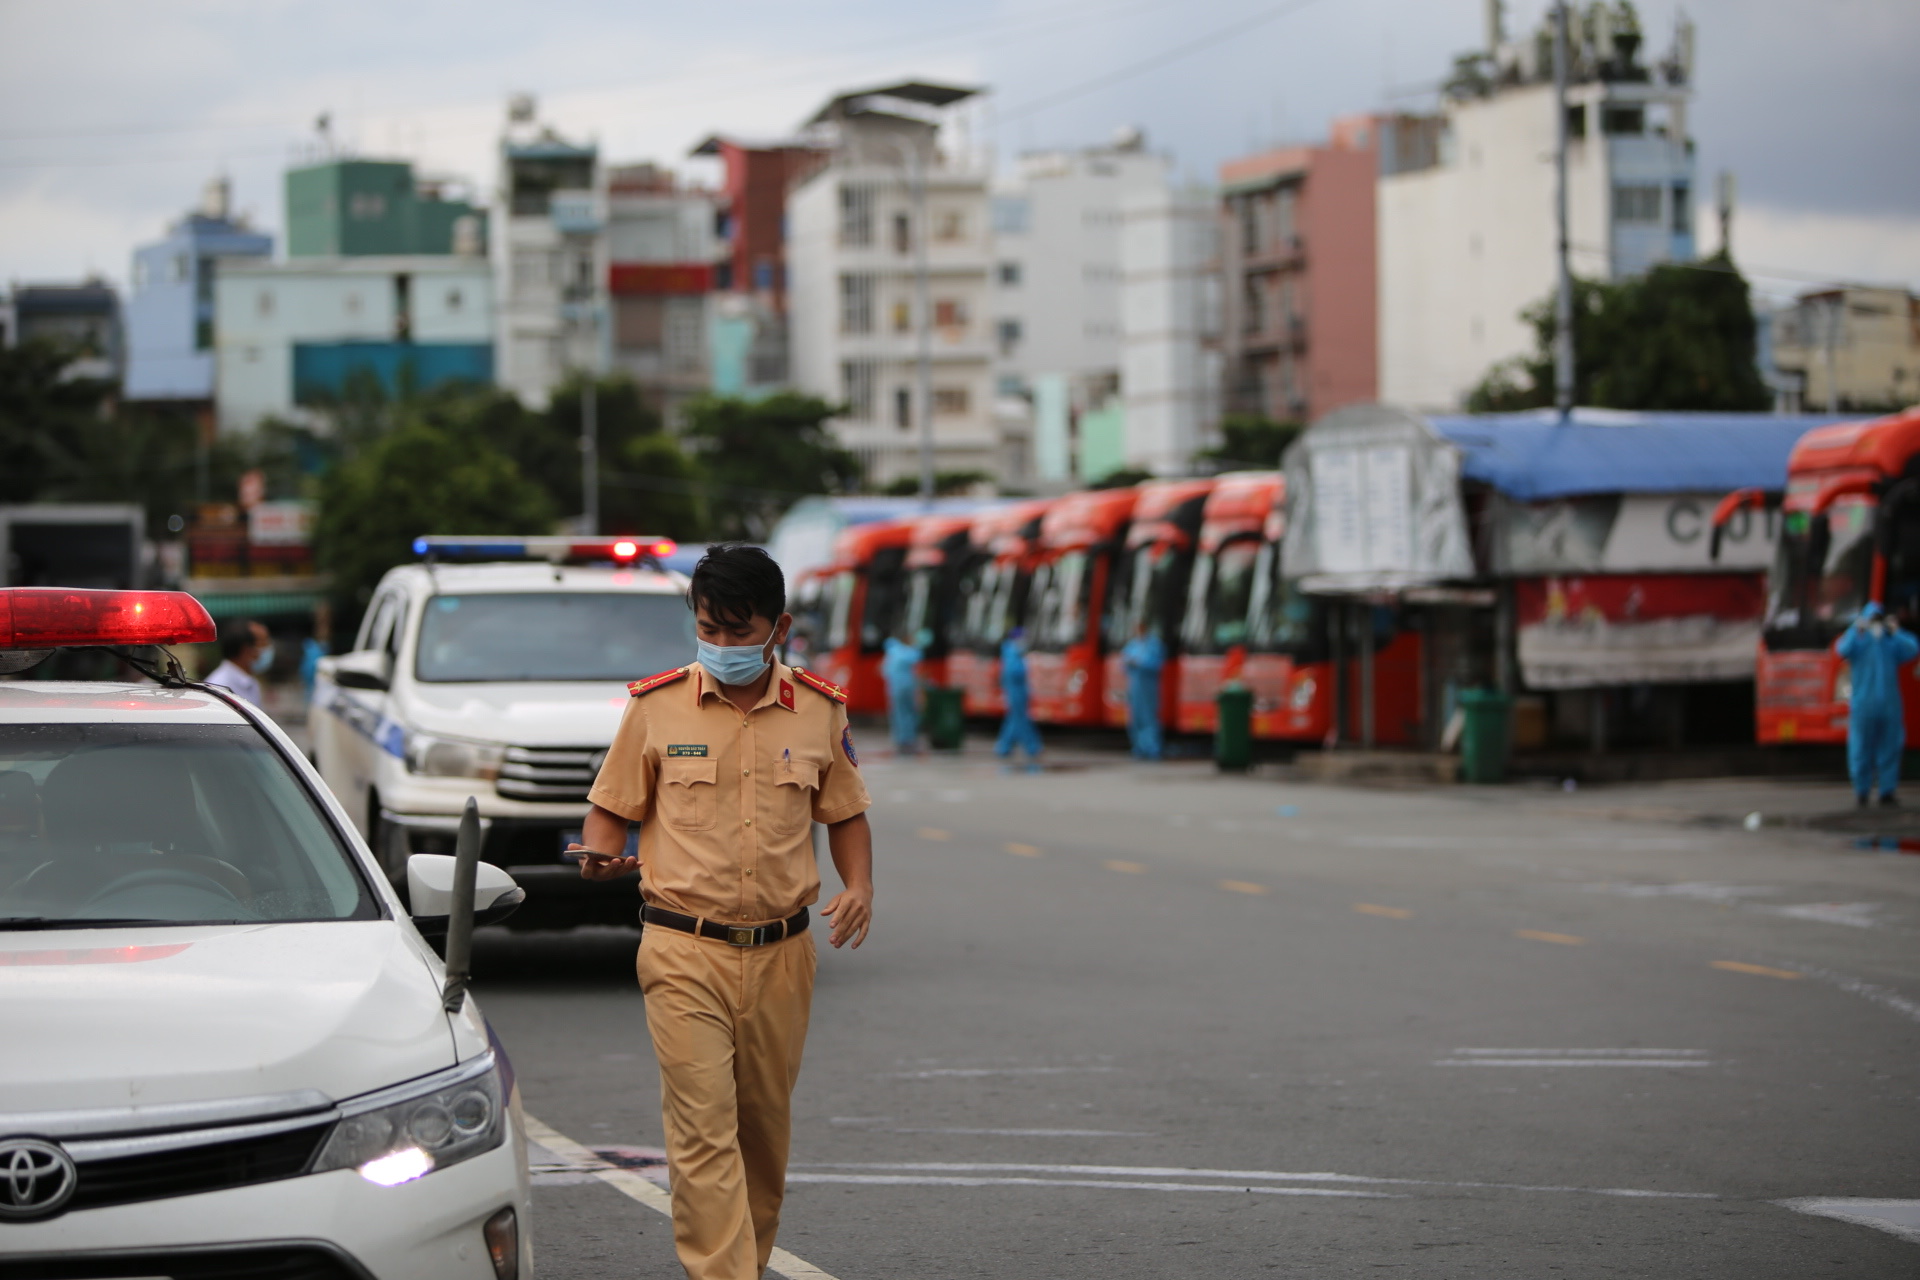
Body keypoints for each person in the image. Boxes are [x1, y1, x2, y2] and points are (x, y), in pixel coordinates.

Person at [574, 544, 874, 1280]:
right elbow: (610, 810)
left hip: (782, 954)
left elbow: (845, 812)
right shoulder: (655, 706)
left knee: (762, 1135)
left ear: (780, 628)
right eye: (710, 629)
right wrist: (600, 857)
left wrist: (860, 886)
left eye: (741, 632)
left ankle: (746, 1263)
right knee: (703, 1129)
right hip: (682, 948)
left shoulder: (820, 710)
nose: (723, 645)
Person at [1836, 601, 1919, 806]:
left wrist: (1895, 631)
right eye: (1872, 618)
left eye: (1878, 618)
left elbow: (1913, 648)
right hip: (1863, 705)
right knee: (1860, 749)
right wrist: (1856, 629)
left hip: (1889, 706)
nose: (1875, 623)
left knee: (1890, 747)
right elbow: (1842, 649)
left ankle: (1887, 791)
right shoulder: (1859, 641)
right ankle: (1862, 791)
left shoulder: (1890, 643)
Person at [995, 626, 1043, 766]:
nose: (1025, 642)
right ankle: (1032, 747)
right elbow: (1014, 673)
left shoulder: (1014, 653)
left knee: (1014, 719)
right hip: (1016, 692)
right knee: (1020, 720)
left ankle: (1004, 747)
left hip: (1018, 692)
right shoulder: (1012, 653)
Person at [1121, 621, 1166, 761]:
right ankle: (1138, 748)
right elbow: (1124, 663)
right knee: (1136, 718)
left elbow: (1156, 663)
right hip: (1135, 686)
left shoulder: (1153, 644)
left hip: (1148, 686)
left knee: (1149, 718)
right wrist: (1130, 663)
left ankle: (1152, 749)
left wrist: (1139, 663)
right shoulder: (1132, 644)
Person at [206, 618, 271, 707]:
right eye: (263, 644)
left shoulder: (251, 683)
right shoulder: (219, 687)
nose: (267, 649)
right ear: (246, 649)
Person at [881, 631, 924, 756]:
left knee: (898, 714)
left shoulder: (892, 652)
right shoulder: (911, 653)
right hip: (908, 687)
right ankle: (909, 741)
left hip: (894, 688)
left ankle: (901, 741)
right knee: (910, 714)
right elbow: (919, 668)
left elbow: (883, 671)